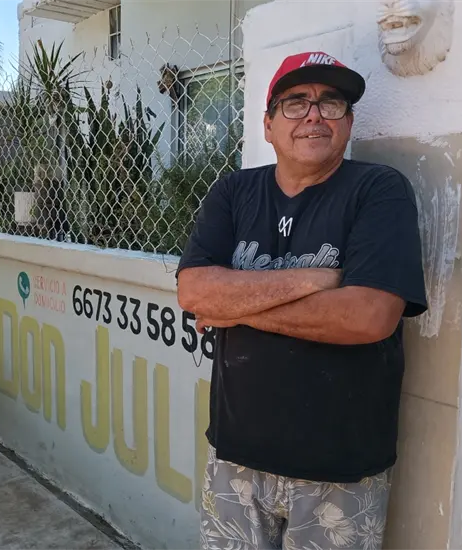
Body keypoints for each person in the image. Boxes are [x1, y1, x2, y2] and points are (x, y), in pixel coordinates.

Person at [176, 51, 428, 550]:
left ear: (348, 123)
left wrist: (235, 305)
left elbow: (369, 316)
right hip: (235, 458)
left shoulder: (378, 191)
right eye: (295, 103)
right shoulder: (234, 191)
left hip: (340, 470)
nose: (314, 114)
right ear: (267, 125)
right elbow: (195, 291)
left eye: (331, 103)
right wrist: (318, 278)